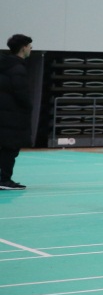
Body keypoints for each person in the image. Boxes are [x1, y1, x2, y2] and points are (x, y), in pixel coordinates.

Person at [0, 33, 34, 191]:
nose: (31, 49)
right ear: (23, 48)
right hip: (13, 117)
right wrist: (28, 107)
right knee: (10, 149)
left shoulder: (4, 65)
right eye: (30, 46)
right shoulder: (18, 68)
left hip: (4, 115)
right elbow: (21, 94)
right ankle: (4, 180)